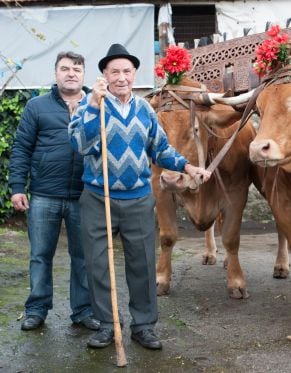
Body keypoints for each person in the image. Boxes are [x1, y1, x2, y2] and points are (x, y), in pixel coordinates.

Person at [68, 43, 211, 350]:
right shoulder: (90, 106)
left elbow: (160, 149)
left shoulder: (146, 110)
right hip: (98, 198)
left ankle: (143, 325)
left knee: (143, 264)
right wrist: (93, 105)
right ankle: (107, 324)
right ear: (104, 75)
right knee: (97, 263)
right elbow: (80, 144)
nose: (121, 77)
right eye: (114, 71)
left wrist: (188, 166)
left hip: (138, 199)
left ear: (134, 75)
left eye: (127, 71)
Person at [9, 51, 100, 332]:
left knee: (83, 257)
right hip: (44, 195)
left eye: (76, 68)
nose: (70, 73)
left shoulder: (97, 106)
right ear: (55, 73)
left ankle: (83, 311)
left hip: (83, 197)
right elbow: (22, 148)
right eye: (64, 68)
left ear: (83, 75)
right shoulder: (36, 106)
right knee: (40, 254)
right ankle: (36, 309)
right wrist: (16, 187)